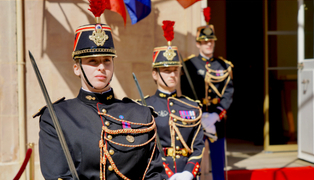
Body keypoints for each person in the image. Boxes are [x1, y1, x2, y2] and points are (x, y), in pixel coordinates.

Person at [33, 1, 167, 179]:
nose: (101, 67)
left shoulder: (140, 114)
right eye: (93, 62)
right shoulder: (56, 117)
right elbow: (57, 175)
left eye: (107, 60)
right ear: (76, 68)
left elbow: (155, 173)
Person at [140, 20, 204, 180]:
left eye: (175, 70)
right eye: (166, 71)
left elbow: (198, 146)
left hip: (187, 173)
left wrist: (189, 172)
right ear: (155, 74)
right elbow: (144, 148)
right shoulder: (144, 106)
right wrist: (167, 173)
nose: (172, 75)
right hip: (158, 173)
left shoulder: (192, 106)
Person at [180, 7, 234, 180]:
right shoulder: (189, 66)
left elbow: (228, 92)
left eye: (211, 41)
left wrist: (217, 115)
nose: (208, 44)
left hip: (216, 120)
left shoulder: (224, 65)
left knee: (218, 161)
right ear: (198, 44)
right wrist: (199, 114)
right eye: (204, 42)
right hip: (197, 119)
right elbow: (186, 92)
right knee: (194, 159)